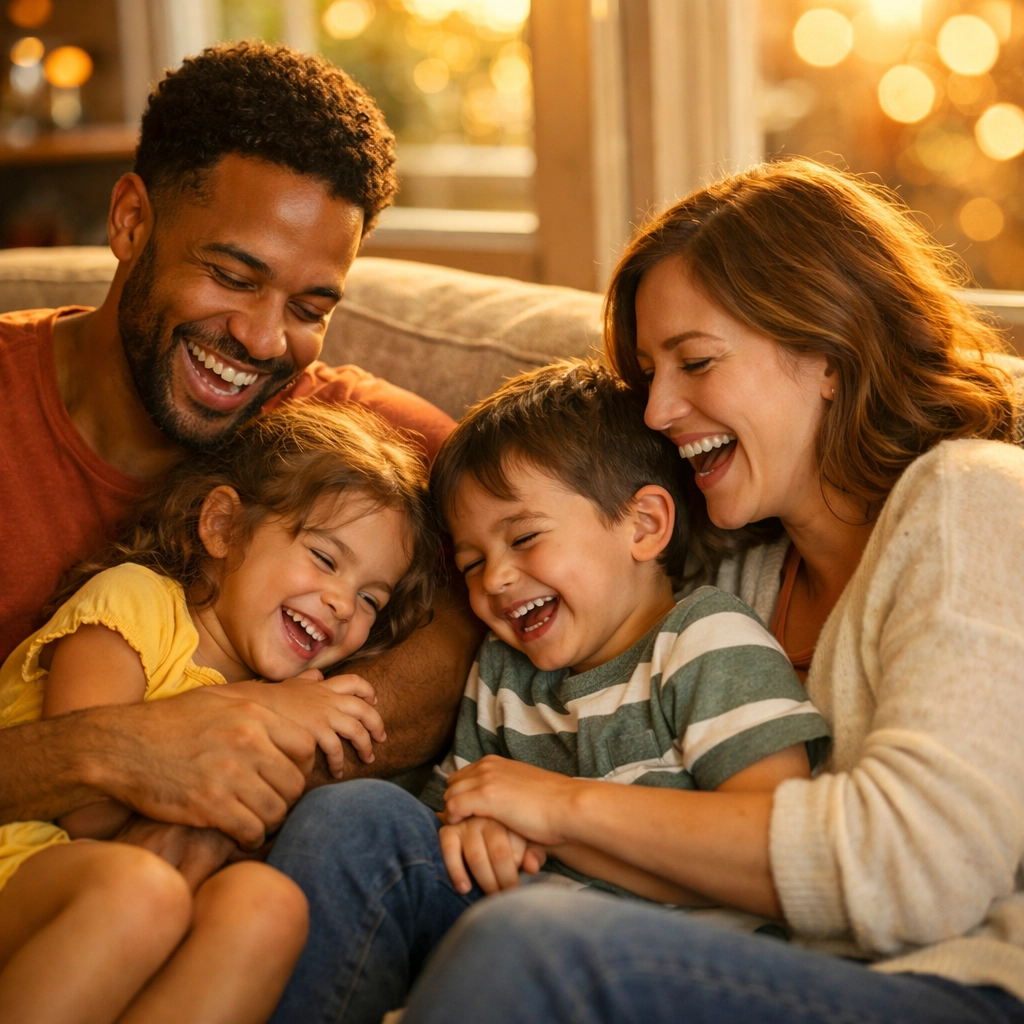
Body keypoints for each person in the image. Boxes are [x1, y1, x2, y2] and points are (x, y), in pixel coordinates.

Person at [389, 159, 1024, 1024]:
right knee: (364, 831)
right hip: (751, 964)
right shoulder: (732, 574)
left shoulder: (971, 498)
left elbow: (915, 870)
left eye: (695, 361)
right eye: (650, 371)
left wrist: (560, 808)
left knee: (530, 944)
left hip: (953, 986)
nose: (654, 411)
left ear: (827, 352)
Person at [0, 41, 479, 876]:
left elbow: (502, 581)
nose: (263, 339)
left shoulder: (345, 447)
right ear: (130, 221)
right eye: (232, 275)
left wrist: (262, 732)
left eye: (308, 305)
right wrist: (109, 750)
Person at [265, 359, 833, 1024]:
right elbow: (454, 807)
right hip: (509, 931)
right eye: (472, 564)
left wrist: (547, 819)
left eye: (525, 538)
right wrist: (475, 829)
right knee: (354, 819)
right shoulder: (505, 669)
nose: (496, 580)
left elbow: (771, 848)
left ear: (644, 525)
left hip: (664, 967)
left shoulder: (706, 642)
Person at [0, 400, 438, 1024]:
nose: (343, 603)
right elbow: (86, 809)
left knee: (269, 904)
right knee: (138, 890)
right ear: (224, 527)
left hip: (137, 907)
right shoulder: (134, 604)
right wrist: (254, 708)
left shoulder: (296, 695)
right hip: (25, 857)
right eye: (324, 558)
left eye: (371, 597)